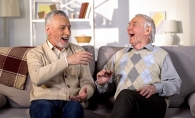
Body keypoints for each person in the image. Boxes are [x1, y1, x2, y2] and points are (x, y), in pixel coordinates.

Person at [96, 14, 182, 118]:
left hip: (153, 103)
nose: (128, 28)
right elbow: (105, 89)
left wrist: (155, 87)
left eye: (134, 24)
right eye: (129, 25)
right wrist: (101, 84)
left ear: (147, 30)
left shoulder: (161, 54)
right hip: (125, 106)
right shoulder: (118, 55)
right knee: (125, 96)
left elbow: (175, 84)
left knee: (125, 94)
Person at [27, 10, 95, 118]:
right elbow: (36, 78)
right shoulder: (34, 53)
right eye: (62, 28)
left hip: (71, 101)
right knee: (45, 111)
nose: (68, 33)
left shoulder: (78, 50)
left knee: (74, 109)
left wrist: (85, 94)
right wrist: (67, 61)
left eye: (69, 27)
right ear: (48, 30)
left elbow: (87, 81)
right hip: (43, 101)